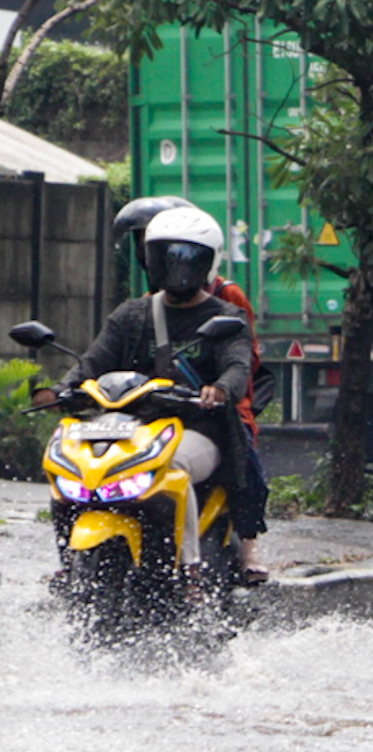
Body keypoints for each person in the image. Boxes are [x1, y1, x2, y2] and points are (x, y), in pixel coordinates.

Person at [35, 207, 255, 569]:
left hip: (195, 427)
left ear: (208, 263)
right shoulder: (131, 314)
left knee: (175, 469)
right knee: (71, 469)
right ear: (148, 260)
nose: (176, 270)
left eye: (187, 260)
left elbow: (237, 365)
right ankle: (68, 565)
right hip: (128, 425)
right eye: (165, 258)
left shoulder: (226, 319)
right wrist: (61, 390)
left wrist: (219, 389)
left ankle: (189, 571)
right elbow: (94, 361)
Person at [109, 196, 272, 581]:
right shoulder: (143, 307)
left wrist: (222, 391)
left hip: (217, 403)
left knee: (245, 463)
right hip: (153, 409)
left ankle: (246, 547)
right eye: (151, 249)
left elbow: (243, 358)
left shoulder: (226, 299)